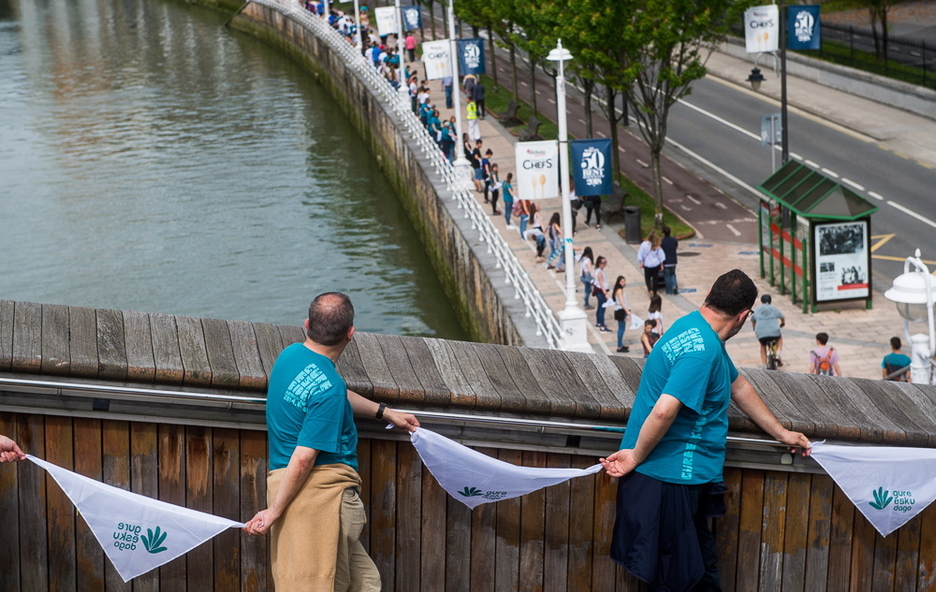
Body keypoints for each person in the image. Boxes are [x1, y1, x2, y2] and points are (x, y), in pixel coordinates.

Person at [600, 269, 810, 591]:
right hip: (668, 480)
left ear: (710, 295)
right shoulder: (703, 351)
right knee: (683, 580)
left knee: (699, 572)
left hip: (680, 480)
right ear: (743, 316)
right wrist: (635, 457)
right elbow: (664, 410)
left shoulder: (692, 327)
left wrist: (782, 433)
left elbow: (737, 386)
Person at [244, 293, 420, 591]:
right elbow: (303, 457)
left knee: (366, 584)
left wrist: (385, 412)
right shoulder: (330, 390)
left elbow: (328, 393)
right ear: (351, 334)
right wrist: (273, 512)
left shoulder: (290, 355)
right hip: (323, 500)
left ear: (307, 324)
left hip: (291, 488)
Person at [751, 294, 785, 368]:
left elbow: (753, 320)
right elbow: (782, 317)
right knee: (779, 339)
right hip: (774, 331)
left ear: (761, 301)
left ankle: (764, 365)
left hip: (761, 333)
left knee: (763, 346)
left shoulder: (757, 309)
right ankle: (778, 354)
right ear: (770, 301)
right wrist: (782, 323)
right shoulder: (773, 308)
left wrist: (754, 328)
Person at [637, 231, 665, 297]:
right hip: (656, 264)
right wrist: (661, 264)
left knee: (647, 278)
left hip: (647, 264)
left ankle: (650, 290)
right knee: (655, 278)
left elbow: (640, 253)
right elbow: (661, 255)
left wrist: (640, 261)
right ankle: (655, 291)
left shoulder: (644, 244)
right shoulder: (657, 245)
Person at [611, 275, 633, 353]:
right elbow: (622, 301)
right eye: (622, 281)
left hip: (620, 310)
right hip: (620, 310)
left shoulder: (618, 289)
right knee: (621, 328)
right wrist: (627, 310)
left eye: (624, 281)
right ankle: (619, 346)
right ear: (618, 282)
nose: (624, 283)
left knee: (622, 328)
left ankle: (620, 344)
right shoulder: (619, 290)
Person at [592, 256, 611, 333]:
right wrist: (605, 293)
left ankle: (598, 323)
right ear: (599, 263)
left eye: (605, 262)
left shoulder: (598, 270)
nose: (605, 264)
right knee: (602, 309)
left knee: (600, 307)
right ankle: (602, 326)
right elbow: (601, 283)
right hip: (601, 292)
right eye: (603, 263)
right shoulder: (599, 272)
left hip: (599, 292)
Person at [660, 226, 679, 295]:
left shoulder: (662, 241)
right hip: (673, 261)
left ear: (663, 233)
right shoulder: (674, 240)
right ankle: (674, 287)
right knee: (673, 274)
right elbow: (676, 247)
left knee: (667, 276)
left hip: (666, 262)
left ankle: (669, 290)